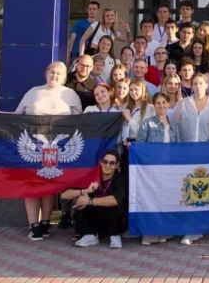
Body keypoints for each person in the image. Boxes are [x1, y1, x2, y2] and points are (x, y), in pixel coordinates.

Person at [14, 62, 82, 241]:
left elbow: (81, 122)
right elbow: (16, 117)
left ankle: (45, 222)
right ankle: (33, 225)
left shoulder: (70, 94)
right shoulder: (33, 92)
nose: (54, 75)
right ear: (46, 73)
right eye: (52, 72)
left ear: (64, 77)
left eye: (59, 73)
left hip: (58, 149)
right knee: (32, 185)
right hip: (33, 146)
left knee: (49, 185)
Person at [173, 72, 209, 245]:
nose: (198, 87)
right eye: (195, 84)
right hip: (186, 155)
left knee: (201, 191)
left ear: (206, 85)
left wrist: (208, 153)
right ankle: (189, 228)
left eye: (201, 83)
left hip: (205, 156)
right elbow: (176, 128)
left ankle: (198, 228)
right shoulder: (183, 104)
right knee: (188, 190)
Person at [59, 149, 126, 249]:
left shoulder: (120, 179)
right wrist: (85, 191)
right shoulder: (92, 176)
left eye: (112, 163)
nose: (107, 165)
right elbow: (63, 195)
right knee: (80, 203)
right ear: (100, 162)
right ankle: (90, 234)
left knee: (116, 205)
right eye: (105, 162)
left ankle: (114, 235)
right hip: (95, 219)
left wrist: (90, 201)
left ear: (117, 165)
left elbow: (115, 200)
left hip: (114, 221)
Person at [135, 92, 177, 245]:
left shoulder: (174, 125)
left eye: (164, 103)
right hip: (152, 168)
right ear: (154, 105)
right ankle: (149, 234)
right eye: (158, 103)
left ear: (168, 104)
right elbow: (140, 144)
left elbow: (178, 146)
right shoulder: (147, 123)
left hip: (168, 168)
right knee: (151, 200)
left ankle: (164, 231)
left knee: (165, 199)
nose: (161, 106)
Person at [123, 79, 153, 147]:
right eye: (131, 90)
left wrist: (129, 119)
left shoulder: (149, 108)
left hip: (139, 144)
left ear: (143, 90)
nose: (133, 92)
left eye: (136, 89)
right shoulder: (126, 106)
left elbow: (145, 131)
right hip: (125, 144)